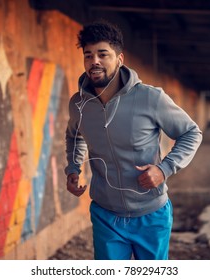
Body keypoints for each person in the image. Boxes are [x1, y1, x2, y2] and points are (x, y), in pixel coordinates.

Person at [64, 20, 202, 260]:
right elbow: (74, 136)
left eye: (102, 54)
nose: (94, 61)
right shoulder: (78, 103)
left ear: (120, 58)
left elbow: (191, 133)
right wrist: (73, 168)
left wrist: (164, 169)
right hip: (105, 215)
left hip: (151, 214)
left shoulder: (151, 97)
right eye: (88, 55)